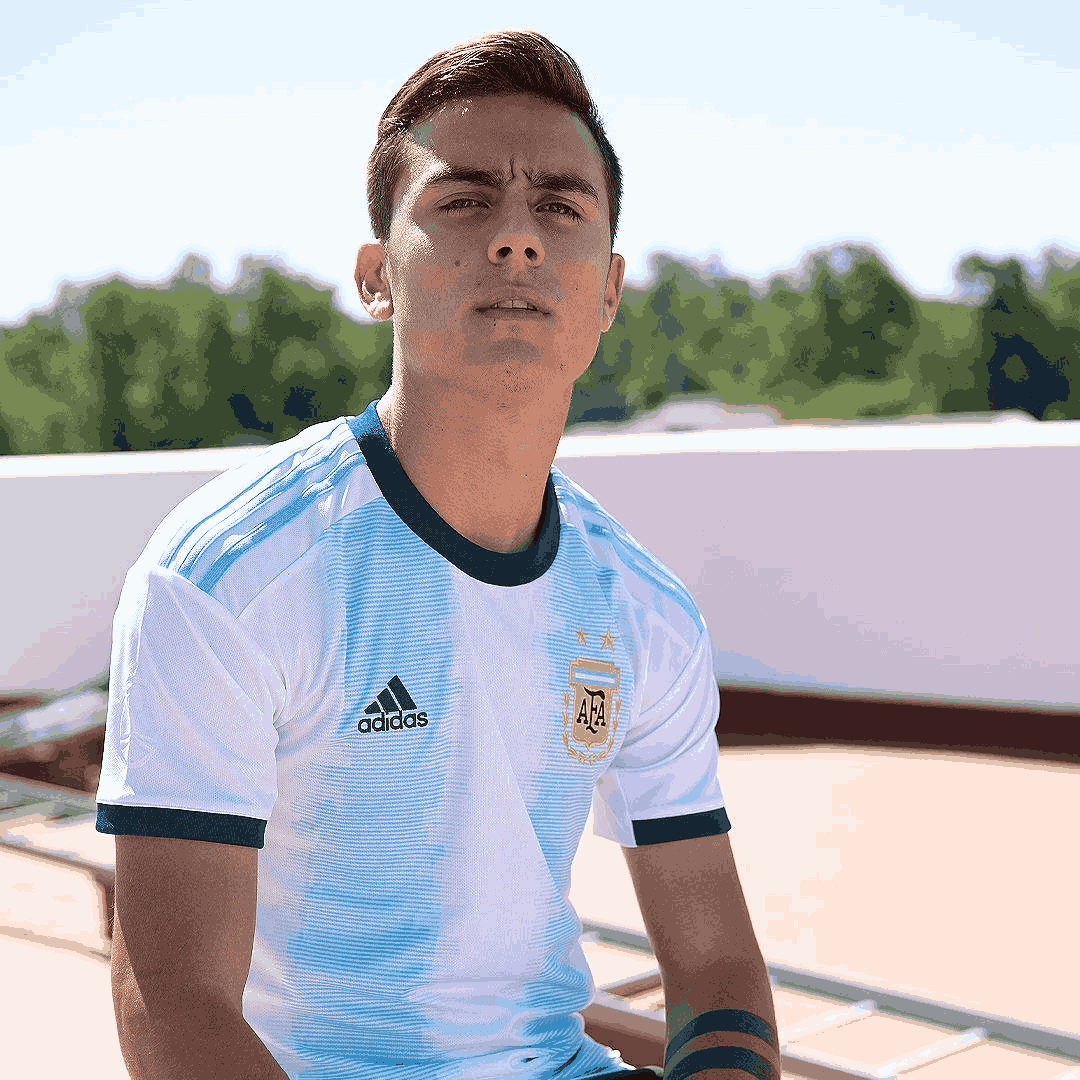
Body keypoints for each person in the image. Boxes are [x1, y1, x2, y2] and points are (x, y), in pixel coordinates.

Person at [96, 29, 781, 1080]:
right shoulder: (232, 574)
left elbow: (718, 966)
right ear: (377, 276)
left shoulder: (641, 608)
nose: (518, 239)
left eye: (561, 207)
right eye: (463, 201)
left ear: (608, 291)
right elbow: (172, 1003)